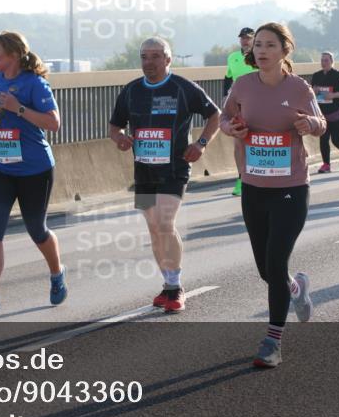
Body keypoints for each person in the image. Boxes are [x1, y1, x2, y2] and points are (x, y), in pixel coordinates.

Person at [220, 22, 323, 368]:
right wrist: (231, 127)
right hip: (254, 187)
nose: (261, 51)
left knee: (276, 262)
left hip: (292, 187)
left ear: (284, 51)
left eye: (269, 46)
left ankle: (272, 341)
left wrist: (310, 124)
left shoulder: (298, 88)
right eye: (258, 46)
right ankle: (297, 289)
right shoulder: (243, 85)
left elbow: (320, 122)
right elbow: (224, 118)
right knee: (267, 270)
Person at [110, 37, 220, 313]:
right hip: (144, 169)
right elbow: (114, 126)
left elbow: (214, 115)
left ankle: (176, 286)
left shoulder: (182, 88)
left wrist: (201, 144)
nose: (149, 62)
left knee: (165, 223)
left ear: (168, 59)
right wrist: (120, 138)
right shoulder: (132, 90)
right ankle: (168, 285)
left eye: (156, 56)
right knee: (154, 228)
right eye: (144, 57)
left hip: (175, 168)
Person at [0, 31, 64, 317]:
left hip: (34, 169)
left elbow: (53, 123)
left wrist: (18, 108)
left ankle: (57, 273)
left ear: (12, 54)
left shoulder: (35, 84)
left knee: (37, 230)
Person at [224, 27, 257, 196]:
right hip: (239, 106)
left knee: (256, 141)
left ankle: (259, 176)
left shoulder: (260, 57)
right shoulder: (233, 57)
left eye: (248, 38)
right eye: (242, 38)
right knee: (238, 143)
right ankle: (241, 179)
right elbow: (228, 78)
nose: (245, 41)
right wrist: (225, 99)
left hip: (259, 105)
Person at [310, 51, 339, 173]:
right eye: (322, 60)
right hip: (322, 114)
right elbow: (311, 92)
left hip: (337, 113)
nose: (323, 63)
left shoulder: (338, 75)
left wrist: (333, 95)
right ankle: (326, 165)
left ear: (332, 62)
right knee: (323, 139)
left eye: (326, 60)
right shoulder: (316, 75)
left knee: (336, 139)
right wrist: (314, 90)